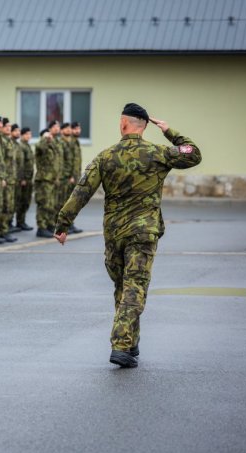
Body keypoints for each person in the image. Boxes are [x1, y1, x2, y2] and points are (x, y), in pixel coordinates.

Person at [54, 103, 202, 368]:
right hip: (143, 232)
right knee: (134, 286)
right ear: (144, 126)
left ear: (123, 123)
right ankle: (122, 345)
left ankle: (130, 342)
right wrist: (170, 131)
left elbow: (81, 191)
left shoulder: (105, 156)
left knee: (123, 286)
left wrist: (63, 223)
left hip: (114, 233)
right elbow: (193, 154)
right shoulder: (158, 153)